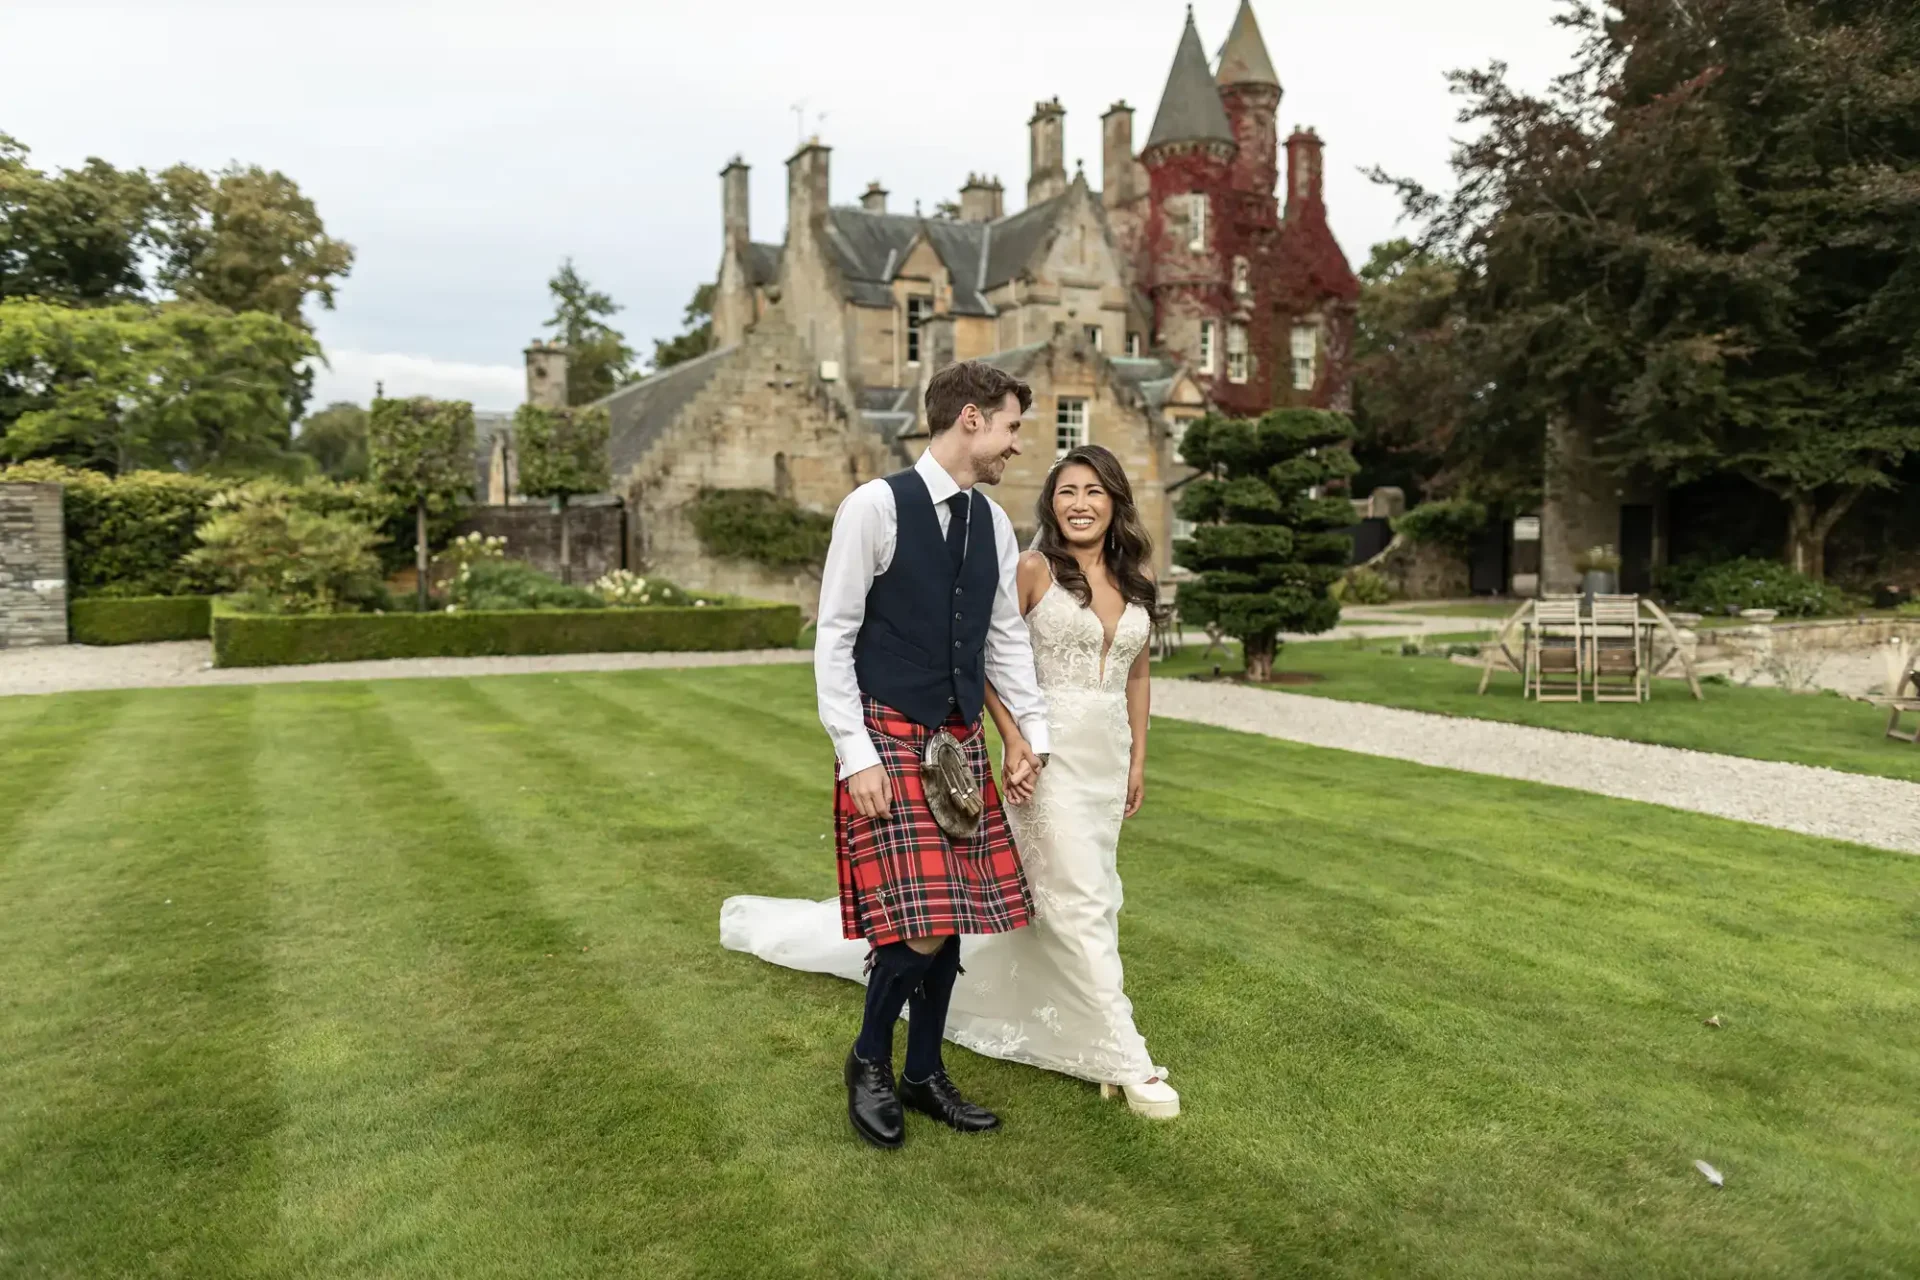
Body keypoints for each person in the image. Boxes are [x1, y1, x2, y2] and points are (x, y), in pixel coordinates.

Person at [723, 441, 1178, 1120]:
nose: (1079, 505)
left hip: (1107, 761)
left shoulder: (1136, 580)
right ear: (1051, 505)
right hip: (1042, 764)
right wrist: (1017, 739)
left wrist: (1140, 758)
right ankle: (1125, 1057)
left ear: (1116, 502)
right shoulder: (1031, 569)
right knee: (1080, 901)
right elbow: (990, 657)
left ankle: (946, 1034)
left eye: (1093, 492)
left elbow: (1137, 674)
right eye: (1066, 492)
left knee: (1078, 899)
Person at [724, 360, 1052, 1150]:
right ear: (970, 418)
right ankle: (873, 1059)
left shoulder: (994, 525)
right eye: (1010, 425)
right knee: (922, 923)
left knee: (952, 916)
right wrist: (855, 755)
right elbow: (833, 637)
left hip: (959, 742)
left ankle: (923, 1071)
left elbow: (1002, 638)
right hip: (888, 733)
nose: (1016, 444)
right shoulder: (874, 507)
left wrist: (1030, 737)